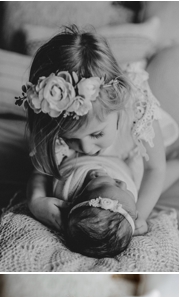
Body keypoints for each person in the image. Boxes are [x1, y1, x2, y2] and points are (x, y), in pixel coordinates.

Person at [17, 27, 179, 257]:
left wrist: (136, 214)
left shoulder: (135, 107)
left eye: (96, 135)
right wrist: (36, 200)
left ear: (118, 103)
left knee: (148, 183)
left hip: (134, 158)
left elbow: (155, 168)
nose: (85, 149)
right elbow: (42, 171)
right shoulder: (52, 126)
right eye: (71, 138)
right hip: (115, 175)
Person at [55, 155, 138, 257]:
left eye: (114, 184)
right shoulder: (131, 203)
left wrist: (89, 173)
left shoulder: (66, 186)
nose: (124, 184)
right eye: (128, 192)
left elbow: (47, 170)